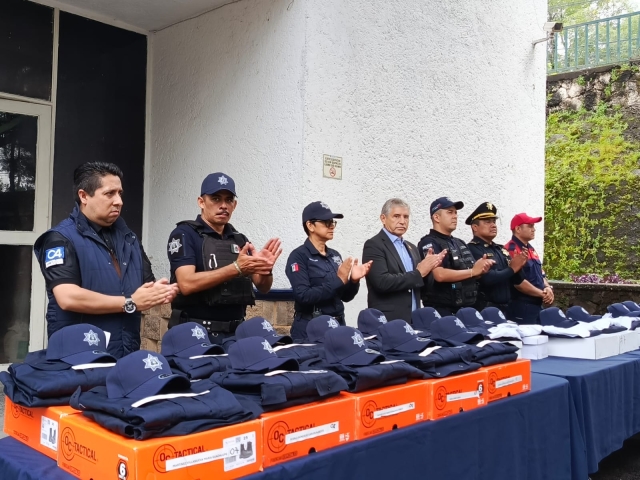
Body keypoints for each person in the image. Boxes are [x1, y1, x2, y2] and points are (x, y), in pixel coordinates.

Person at [33, 162, 178, 358]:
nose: (119, 201)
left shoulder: (129, 238)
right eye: (110, 193)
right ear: (84, 196)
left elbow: (144, 286)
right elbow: (67, 297)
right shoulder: (60, 239)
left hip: (125, 352)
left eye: (120, 193)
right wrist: (130, 302)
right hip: (80, 358)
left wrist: (160, 291)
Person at [167, 172, 282, 344]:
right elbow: (186, 284)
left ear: (234, 205)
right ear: (201, 202)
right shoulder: (185, 234)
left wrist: (266, 269)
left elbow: (263, 286)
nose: (223, 205)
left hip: (235, 335)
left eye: (229, 200)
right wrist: (236, 268)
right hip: (195, 335)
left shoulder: (239, 239)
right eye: (216, 199)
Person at [286, 201, 372, 341]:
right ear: (310, 225)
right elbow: (303, 295)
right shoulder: (299, 256)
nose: (332, 226)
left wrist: (353, 281)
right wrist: (338, 280)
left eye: (332, 222)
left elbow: (345, 297)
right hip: (312, 328)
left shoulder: (334, 255)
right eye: (326, 222)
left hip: (337, 324)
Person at [362, 198, 444, 322]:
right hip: (389, 320)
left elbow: (420, 284)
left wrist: (429, 269)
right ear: (383, 218)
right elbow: (382, 282)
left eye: (406, 217)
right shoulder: (374, 245)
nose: (402, 221)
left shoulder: (411, 247)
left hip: (414, 318)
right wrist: (419, 273)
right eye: (396, 216)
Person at [417, 197, 494, 316]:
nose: (455, 216)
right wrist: (473, 271)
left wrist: (481, 268)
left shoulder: (460, 242)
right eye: (450, 212)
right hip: (442, 312)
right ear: (436, 217)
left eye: (456, 213)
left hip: (466, 309)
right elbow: (439, 275)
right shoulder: (429, 242)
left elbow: (473, 273)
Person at [465, 202, 529, 312]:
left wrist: (520, 264)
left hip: (506, 308)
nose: (493, 225)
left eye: (494, 221)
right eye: (487, 222)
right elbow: (488, 278)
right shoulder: (472, 249)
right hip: (485, 309)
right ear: (475, 227)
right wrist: (512, 268)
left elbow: (517, 280)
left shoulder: (500, 249)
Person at [504, 213, 554, 324]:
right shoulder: (511, 249)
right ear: (518, 229)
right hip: (522, 306)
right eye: (530, 226)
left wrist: (547, 287)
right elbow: (518, 283)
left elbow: (540, 274)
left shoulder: (530, 248)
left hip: (536, 304)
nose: (534, 229)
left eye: (533, 226)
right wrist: (542, 294)